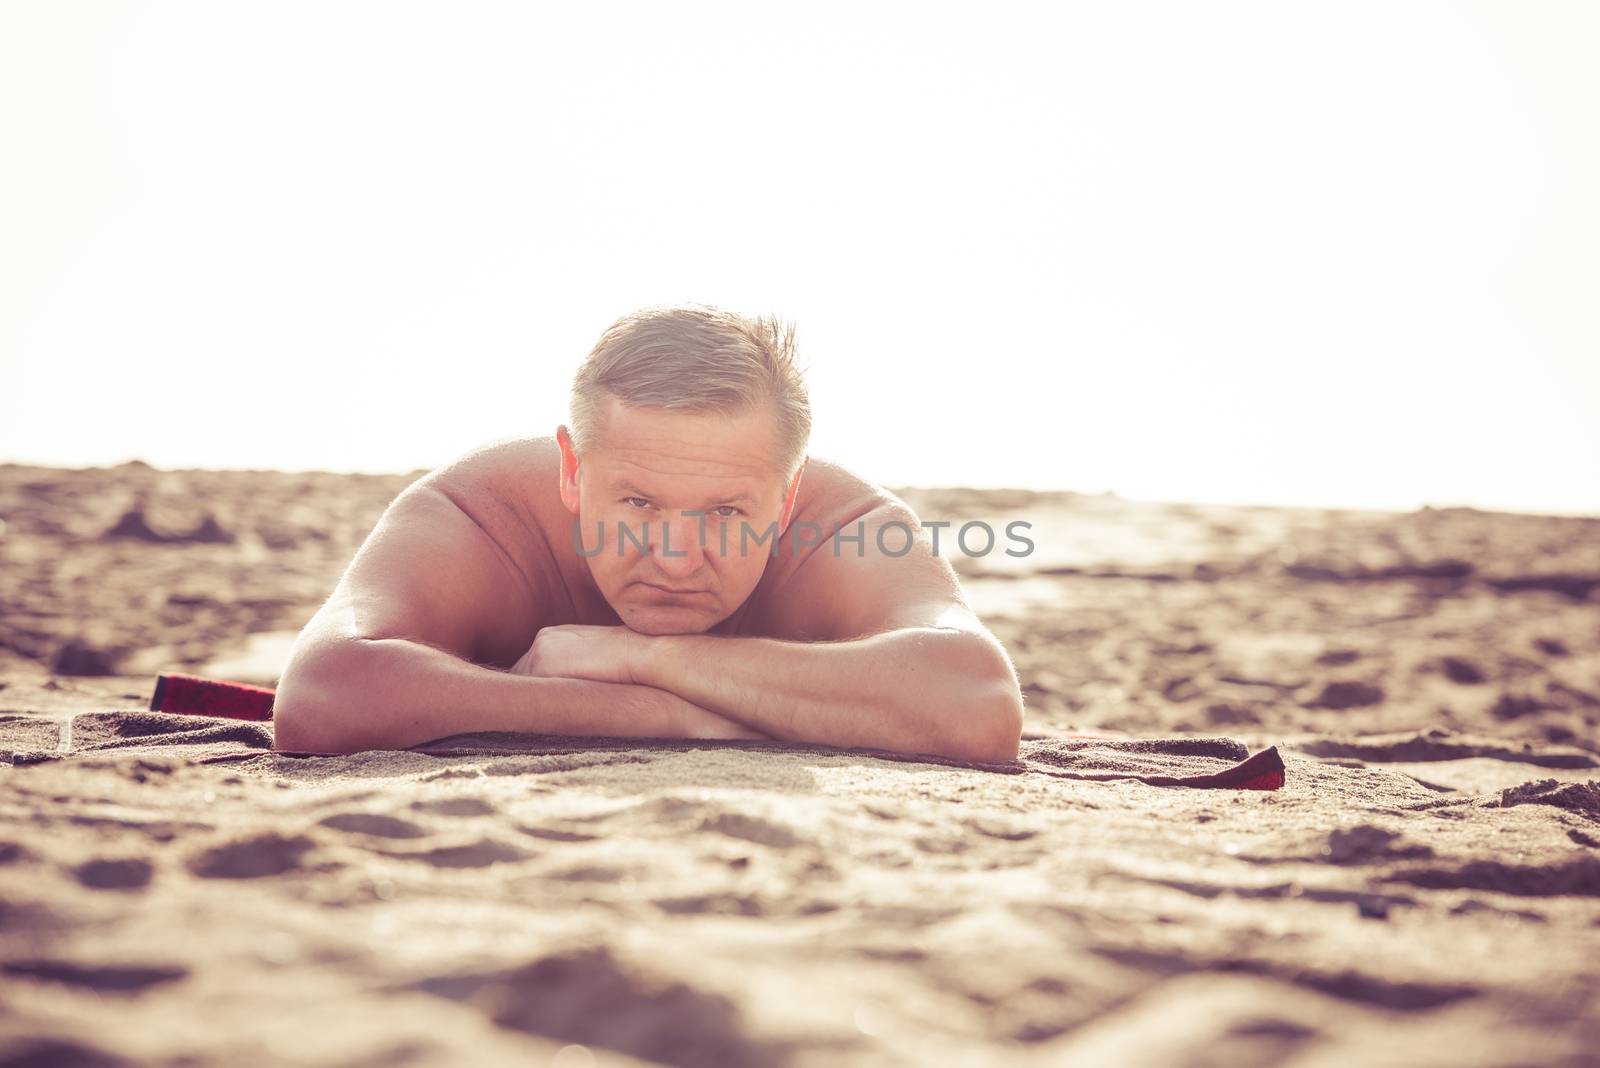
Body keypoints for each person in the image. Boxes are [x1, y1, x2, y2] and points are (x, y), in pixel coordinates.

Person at [271, 304, 1024, 762]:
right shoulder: (480, 515)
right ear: (572, 470)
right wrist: (670, 713)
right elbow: (322, 695)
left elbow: (976, 699)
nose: (673, 556)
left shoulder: (847, 527)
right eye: (636, 503)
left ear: (788, 493)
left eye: (725, 513)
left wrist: (644, 657)